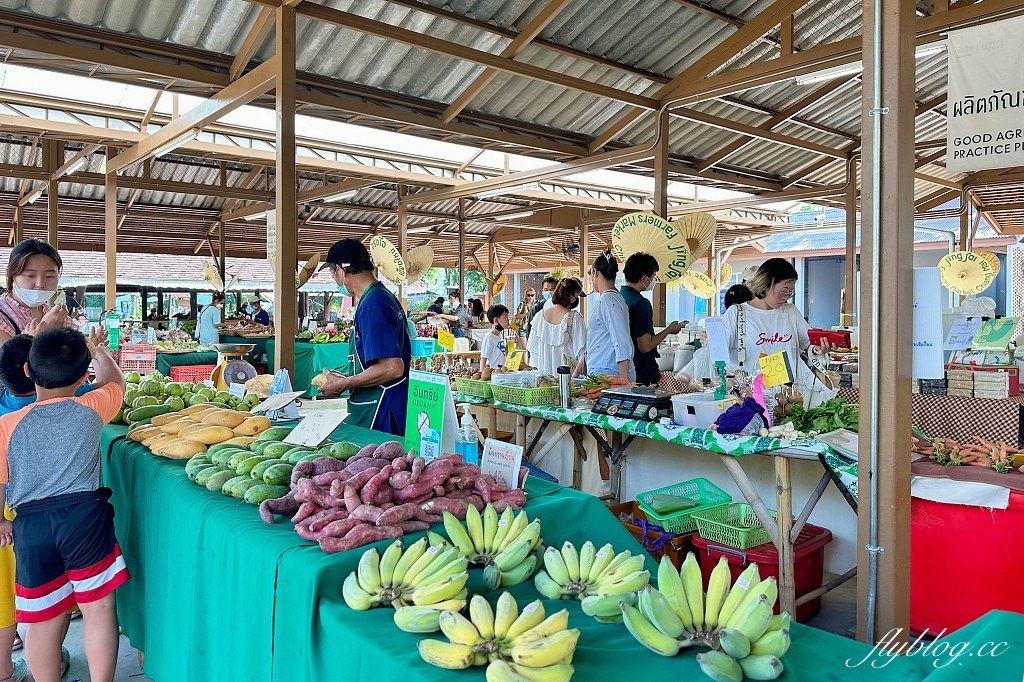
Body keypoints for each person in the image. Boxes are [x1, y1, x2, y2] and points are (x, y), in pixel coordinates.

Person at [0, 326, 128, 682]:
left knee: (42, 617)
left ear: (28, 370)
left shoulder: (6, 425)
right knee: (99, 607)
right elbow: (115, 379)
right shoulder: (93, 406)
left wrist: (0, 521)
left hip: (31, 525)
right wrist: (98, 349)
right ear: (84, 375)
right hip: (85, 517)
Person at [317, 239, 411, 436]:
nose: (334, 278)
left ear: (341, 270)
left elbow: (392, 367)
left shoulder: (372, 305)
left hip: (382, 412)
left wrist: (345, 383)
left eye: (332, 272)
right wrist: (349, 377)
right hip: (381, 405)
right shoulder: (381, 296)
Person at [723, 258, 824, 374]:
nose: (786, 297)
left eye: (790, 293)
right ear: (765, 284)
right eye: (783, 292)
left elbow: (809, 346)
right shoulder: (736, 313)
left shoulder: (791, 312)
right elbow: (720, 357)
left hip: (789, 390)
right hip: (752, 391)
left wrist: (818, 349)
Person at [620, 253, 685, 386]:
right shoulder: (641, 303)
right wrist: (669, 329)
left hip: (624, 367)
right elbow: (645, 346)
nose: (654, 280)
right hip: (641, 369)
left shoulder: (619, 298)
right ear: (644, 278)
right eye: (653, 276)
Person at [0, 240, 75, 345]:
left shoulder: (56, 315)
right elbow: (8, 360)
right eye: (30, 276)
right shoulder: (3, 316)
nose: (40, 284)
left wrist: (91, 346)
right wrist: (45, 329)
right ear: (12, 275)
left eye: (49, 276)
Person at [583, 252, 634, 382]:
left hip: (610, 375)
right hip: (602, 372)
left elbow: (621, 339)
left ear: (595, 272)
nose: (590, 280)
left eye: (590, 276)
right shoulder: (610, 298)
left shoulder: (609, 299)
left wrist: (624, 379)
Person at [527, 278, 587, 376]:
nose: (576, 300)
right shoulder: (575, 318)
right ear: (572, 296)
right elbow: (582, 353)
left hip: (543, 381)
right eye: (576, 296)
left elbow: (533, 354)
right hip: (567, 380)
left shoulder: (539, 317)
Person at [479, 305, 510, 370]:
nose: (508, 320)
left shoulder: (500, 335)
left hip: (501, 372)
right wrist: (482, 374)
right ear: (496, 320)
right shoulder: (489, 337)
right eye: (506, 317)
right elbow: (483, 358)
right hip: (492, 372)